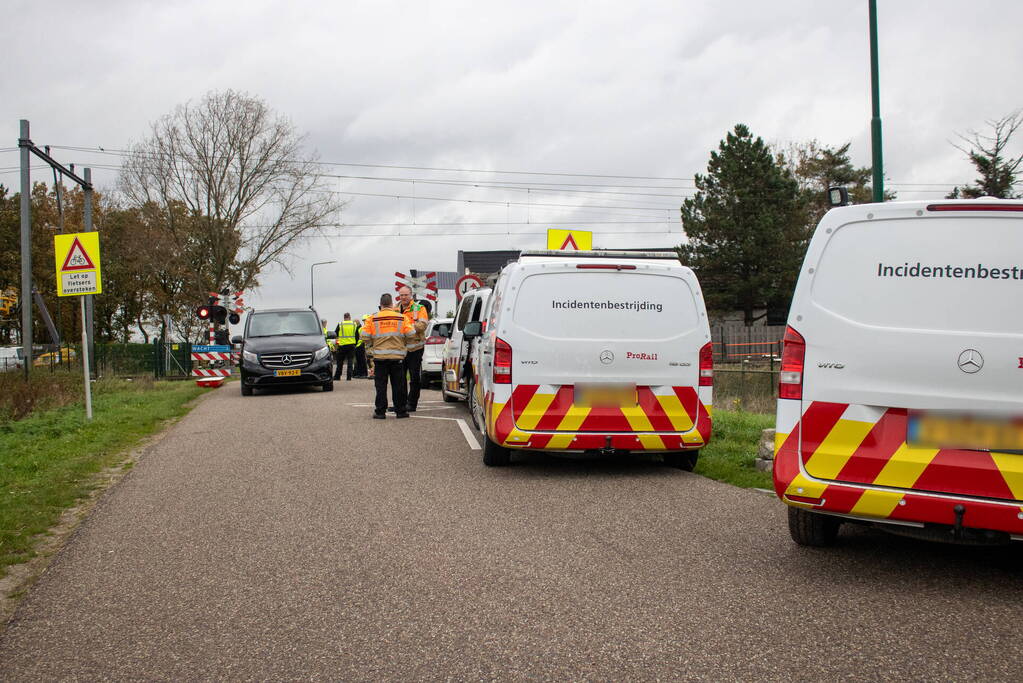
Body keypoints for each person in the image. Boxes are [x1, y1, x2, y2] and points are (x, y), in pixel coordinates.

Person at [362, 293, 414, 419]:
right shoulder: (401, 318)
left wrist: (373, 342)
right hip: (397, 358)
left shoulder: (372, 318)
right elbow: (411, 333)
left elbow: (364, 336)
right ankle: (400, 411)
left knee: (381, 386)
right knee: (399, 385)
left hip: (380, 358)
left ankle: (380, 412)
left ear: (380, 304)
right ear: (391, 304)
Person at [397, 286, 429, 412]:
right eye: (401, 295)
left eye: (406, 295)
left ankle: (412, 403)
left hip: (415, 348)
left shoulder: (419, 308)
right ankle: (401, 403)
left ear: (411, 295)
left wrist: (406, 327)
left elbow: (422, 325)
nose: (403, 297)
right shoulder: (395, 309)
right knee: (400, 378)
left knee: (414, 377)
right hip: (400, 348)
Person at [333, 312, 358, 380]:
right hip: (351, 345)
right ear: (350, 317)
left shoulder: (340, 324)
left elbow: (335, 333)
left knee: (340, 362)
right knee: (350, 361)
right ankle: (349, 377)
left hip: (342, 345)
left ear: (344, 318)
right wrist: (355, 344)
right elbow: (357, 335)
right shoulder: (354, 324)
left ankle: (337, 377)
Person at [354, 314, 369, 378]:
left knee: (362, 361)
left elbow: (361, 338)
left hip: (360, 345)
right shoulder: (361, 328)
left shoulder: (362, 328)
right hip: (358, 346)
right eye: (364, 320)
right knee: (359, 361)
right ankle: (360, 373)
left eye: (365, 320)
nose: (364, 322)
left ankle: (363, 374)